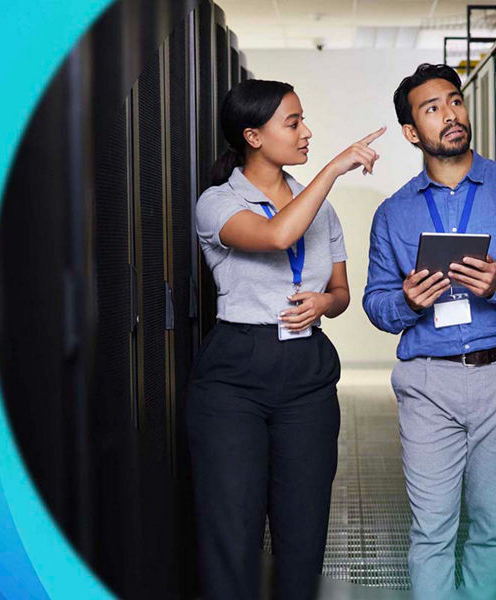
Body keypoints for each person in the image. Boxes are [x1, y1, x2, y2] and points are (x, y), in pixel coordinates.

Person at [362, 63, 496, 597]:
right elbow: (376, 303)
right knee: (432, 527)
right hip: (427, 382)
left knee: (492, 524)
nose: (451, 114)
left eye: (455, 101)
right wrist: (407, 301)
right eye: (432, 108)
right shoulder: (393, 213)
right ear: (412, 133)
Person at [187, 78, 385, 600]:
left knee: (303, 530)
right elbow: (277, 236)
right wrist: (333, 169)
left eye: (303, 120)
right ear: (253, 136)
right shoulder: (217, 203)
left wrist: (324, 303)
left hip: (307, 369)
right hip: (236, 372)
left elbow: (341, 290)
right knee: (233, 529)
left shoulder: (319, 206)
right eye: (292, 123)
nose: (306, 132)